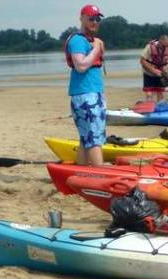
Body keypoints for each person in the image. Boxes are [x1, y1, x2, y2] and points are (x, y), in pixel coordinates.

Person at [64, 4, 107, 166]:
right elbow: (80, 66)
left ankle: (81, 171)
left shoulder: (91, 41)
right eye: (91, 18)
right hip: (85, 95)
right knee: (94, 138)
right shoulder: (78, 41)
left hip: (93, 93)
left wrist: (96, 46)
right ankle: (101, 176)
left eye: (97, 19)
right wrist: (96, 49)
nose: (94, 22)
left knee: (86, 137)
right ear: (82, 18)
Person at [139, 35, 168, 102]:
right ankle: (149, 107)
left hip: (161, 73)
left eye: (167, 45)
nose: (165, 47)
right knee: (149, 94)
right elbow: (142, 61)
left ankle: (160, 108)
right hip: (148, 73)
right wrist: (154, 71)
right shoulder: (149, 47)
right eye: (164, 45)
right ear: (160, 41)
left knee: (160, 93)